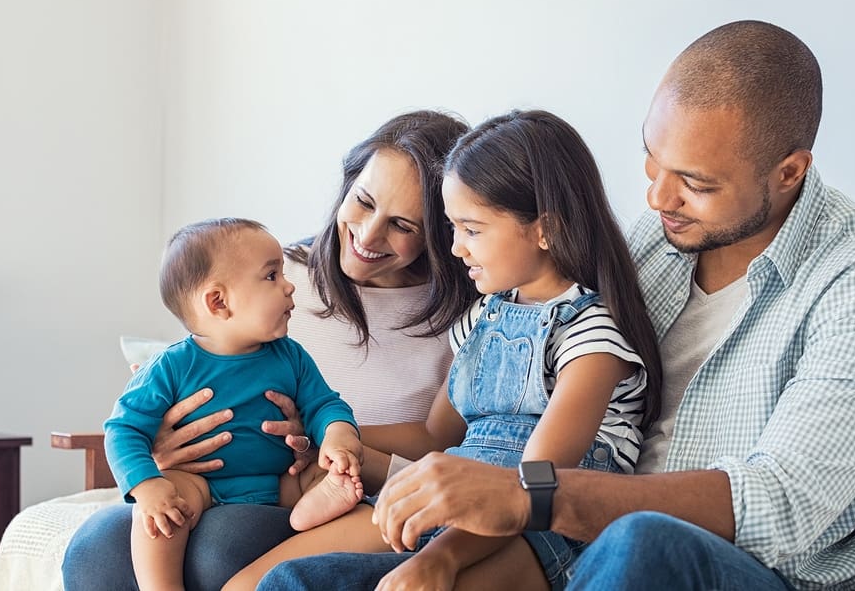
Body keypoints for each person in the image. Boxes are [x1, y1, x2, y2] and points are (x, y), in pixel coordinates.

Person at [260, 20, 855, 591]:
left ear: (790, 172)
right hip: (572, 540)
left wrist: (532, 495)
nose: (658, 196)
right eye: (652, 159)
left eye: (696, 183)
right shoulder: (653, 244)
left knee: (642, 543)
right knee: (297, 583)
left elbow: (782, 504)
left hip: (720, 565)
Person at [220, 109, 663, 591]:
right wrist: (329, 432)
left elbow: (536, 486)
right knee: (258, 583)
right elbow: (435, 433)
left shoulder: (590, 337)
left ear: (545, 230)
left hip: (536, 529)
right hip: (450, 497)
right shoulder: (483, 318)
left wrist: (440, 559)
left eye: (470, 230)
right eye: (452, 228)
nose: (454, 249)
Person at [62, 110, 478, 591]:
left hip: (319, 484)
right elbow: (158, 399)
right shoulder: (269, 277)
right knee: (97, 546)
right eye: (362, 202)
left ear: (442, 231)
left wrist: (329, 438)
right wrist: (159, 449)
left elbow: (449, 441)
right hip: (208, 476)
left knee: (220, 545)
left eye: (403, 225)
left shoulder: (466, 319)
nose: (367, 236)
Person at [105, 218, 364, 590]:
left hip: (282, 481)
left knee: (328, 475)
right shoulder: (172, 366)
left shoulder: (290, 356)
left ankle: (313, 508)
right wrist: (147, 487)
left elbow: (324, 405)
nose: (290, 286)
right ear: (219, 301)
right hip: (202, 484)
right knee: (161, 513)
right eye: (272, 276)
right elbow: (123, 429)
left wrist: (339, 439)